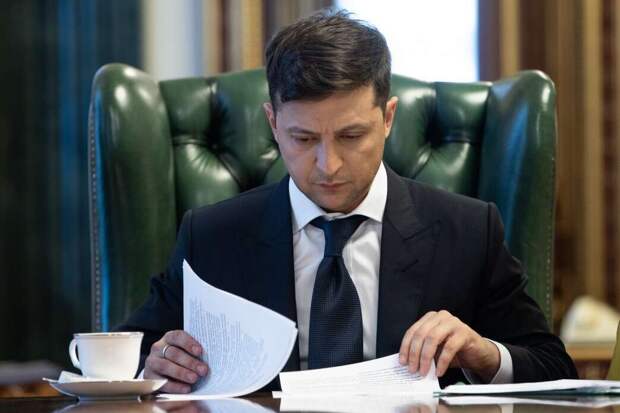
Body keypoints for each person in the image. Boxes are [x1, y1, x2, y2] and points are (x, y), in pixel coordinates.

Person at [117, 10, 577, 393]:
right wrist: (155, 366)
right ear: (273, 123)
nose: (329, 165)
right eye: (303, 138)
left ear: (388, 118)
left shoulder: (469, 230)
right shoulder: (212, 236)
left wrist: (484, 353)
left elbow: (554, 369)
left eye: (352, 136)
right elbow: (130, 355)